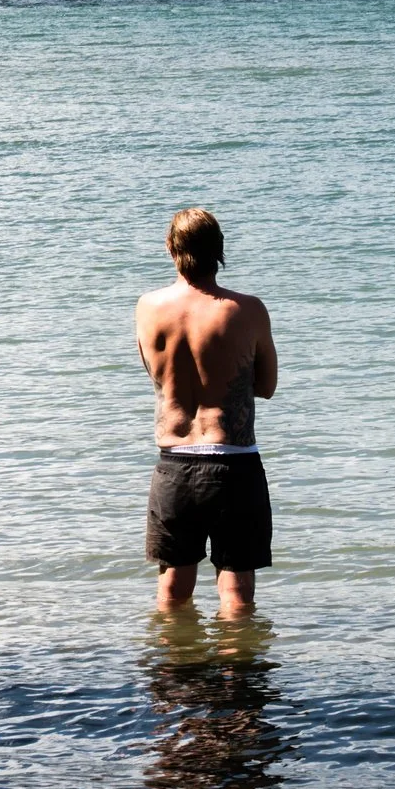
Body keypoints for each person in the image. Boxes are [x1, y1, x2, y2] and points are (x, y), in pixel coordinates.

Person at [135, 207, 276, 618]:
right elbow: (266, 387)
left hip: (174, 464)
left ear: (171, 249)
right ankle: (237, 680)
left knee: (173, 589)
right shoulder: (247, 309)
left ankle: (178, 673)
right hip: (234, 463)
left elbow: (155, 374)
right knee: (236, 594)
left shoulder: (148, 307)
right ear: (219, 251)